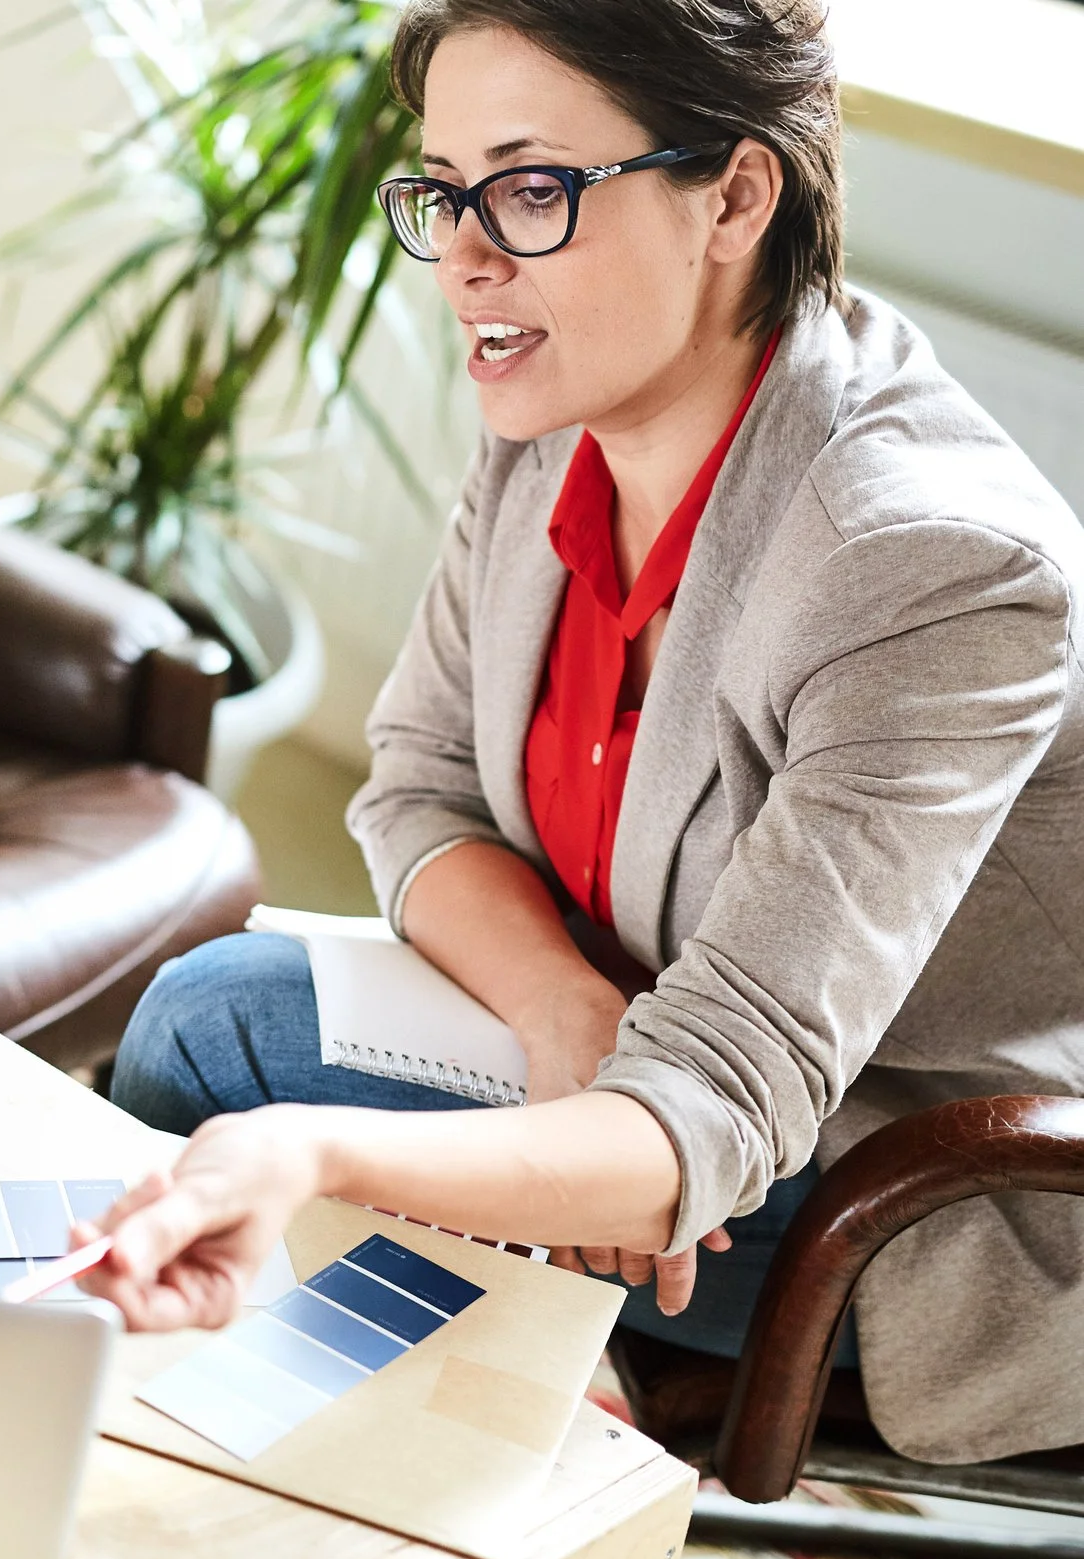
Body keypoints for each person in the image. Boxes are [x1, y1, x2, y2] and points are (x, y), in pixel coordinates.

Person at [91, 0, 1084, 1468]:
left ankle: (336, 1491)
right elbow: (419, 789)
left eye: (533, 187)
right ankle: (335, 1478)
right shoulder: (558, 411)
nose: (467, 258)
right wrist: (566, 1008)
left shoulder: (925, 564)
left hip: (885, 1185)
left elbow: (719, 1101)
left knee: (222, 1045)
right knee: (221, 1018)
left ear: (735, 194)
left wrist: (321, 1147)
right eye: (442, 191)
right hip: (636, 1047)